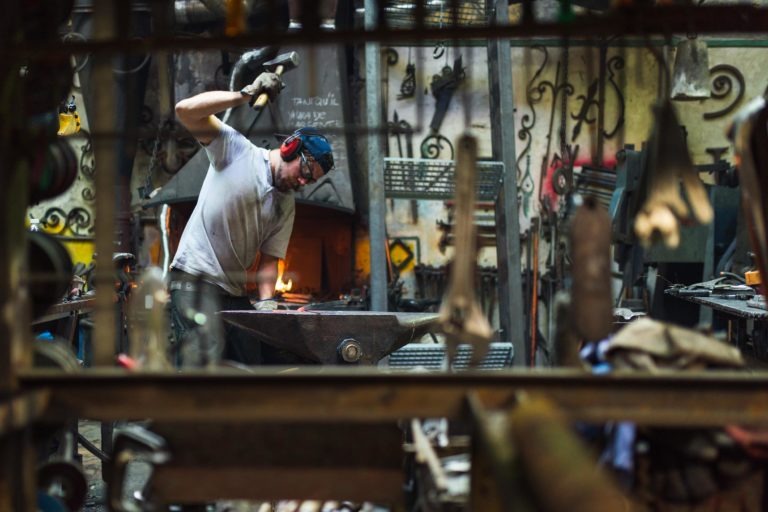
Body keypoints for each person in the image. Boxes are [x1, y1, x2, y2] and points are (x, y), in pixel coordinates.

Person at [168, 72, 334, 366]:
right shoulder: (235, 150)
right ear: (290, 149)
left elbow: (270, 261)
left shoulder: (286, 204)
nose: (303, 183)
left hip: (232, 291)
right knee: (206, 365)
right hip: (194, 280)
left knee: (254, 361)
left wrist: (268, 303)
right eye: (305, 173)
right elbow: (185, 110)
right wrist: (244, 94)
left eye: (311, 182)